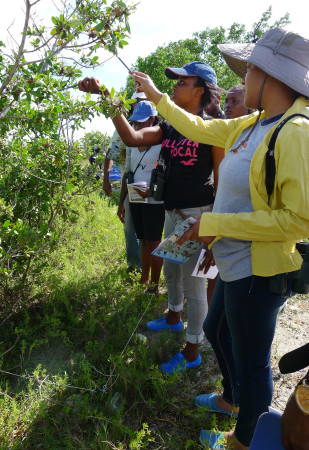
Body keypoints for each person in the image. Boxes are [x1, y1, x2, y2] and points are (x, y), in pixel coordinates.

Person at [130, 28, 309, 449]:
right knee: (215, 329)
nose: (241, 81)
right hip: (233, 263)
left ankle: (243, 439)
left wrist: (217, 225)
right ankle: (232, 401)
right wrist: (157, 97)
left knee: (252, 364)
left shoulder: (295, 132)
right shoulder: (250, 124)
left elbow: (297, 220)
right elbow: (195, 126)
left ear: (272, 76)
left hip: (259, 272)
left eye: (249, 73)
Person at [78, 61, 225, 375]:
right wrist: (105, 95)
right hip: (172, 212)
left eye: (181, 82)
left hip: (197, 216)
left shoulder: (213, 126)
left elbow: (220, 178)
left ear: (200, 89)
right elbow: (132, 137)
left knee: (194, 285)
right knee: (171, 272)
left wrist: (215, 227)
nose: (174, 85)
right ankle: (173, 319)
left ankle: (192, 351)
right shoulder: (170, 125)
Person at [118, 100, 165, 293]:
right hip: (136, 193)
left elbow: (167, 172)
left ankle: (155, 285)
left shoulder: (161, 142)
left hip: (156, 199)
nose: (138, 126)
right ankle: (143, 280)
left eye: (142, 123)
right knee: (143, 239)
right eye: (135, 123)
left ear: (152, 120)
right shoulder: (131, 143)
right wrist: (121, 202)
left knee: (154, 241)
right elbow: (127, 172)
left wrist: (152, 192)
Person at [103, 92, 147, 273]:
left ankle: (145, 266)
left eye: (142, 101)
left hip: (149, 185)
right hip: (131, 183)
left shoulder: (157, 126)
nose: (138, 105)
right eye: (136, 102)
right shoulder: (125, 127)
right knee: (130, 225)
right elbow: (111, 153)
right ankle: (134, 263)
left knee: (145, 229)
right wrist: (105, 179)